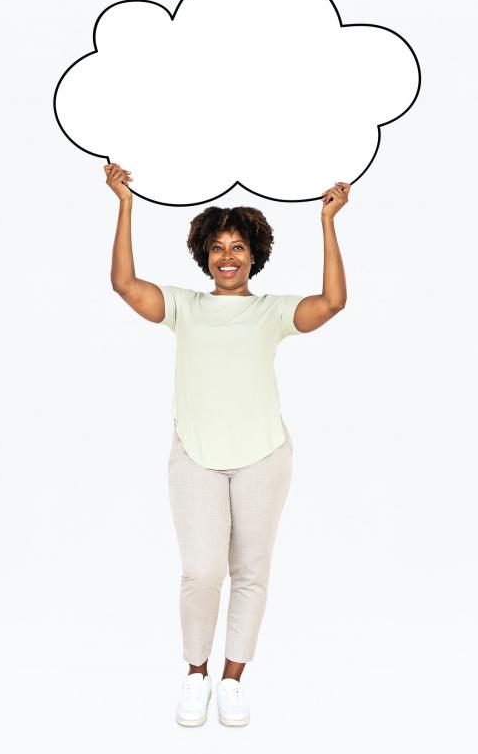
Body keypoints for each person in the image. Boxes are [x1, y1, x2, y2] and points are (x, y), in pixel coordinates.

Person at [106, 162, 349, 726]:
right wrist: (125, 204)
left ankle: (233, 679)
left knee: (252, 571)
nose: (228, 256)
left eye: (238, 246)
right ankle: (196, 673)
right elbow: (124, 285)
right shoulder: (185, 306)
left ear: (254, 254)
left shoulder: (272, 312)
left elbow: (332, 302)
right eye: (218, 247)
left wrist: (327, 222)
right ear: (205, 255)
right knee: (201, 571)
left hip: (264, 455)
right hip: (195, 455)